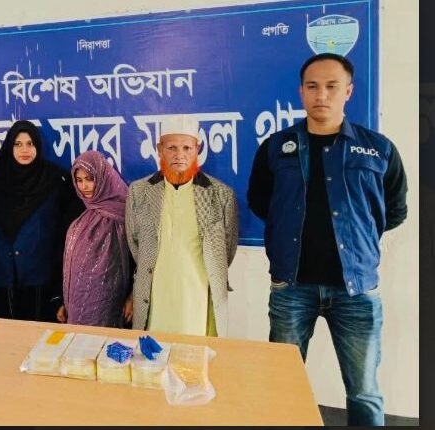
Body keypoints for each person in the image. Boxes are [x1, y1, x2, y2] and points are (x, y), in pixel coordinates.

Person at [246, 53, 408, 426]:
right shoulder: (276, 147)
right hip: (291, 288)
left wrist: (356, 236)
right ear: (301, 92)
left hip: (356, 291)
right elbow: (261, 201)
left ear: (348, 91)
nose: (322, 95)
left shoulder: (378, 149)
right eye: (313, 86)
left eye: (332, 86)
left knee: (364, 392)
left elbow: (393, 211)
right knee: (282, 385)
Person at [125, 114, 238, 337]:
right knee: (153, 351)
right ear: (159, 149)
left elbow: (227, 249)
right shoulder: (139, 191)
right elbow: (134, 243)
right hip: (155, 296)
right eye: (172, 148)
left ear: (197, 149)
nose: (179, 155)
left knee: (197, 351)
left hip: (197, 297)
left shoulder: (221, 195)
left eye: (187, 148)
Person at [0, 120, 83, 322]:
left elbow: (68, 229)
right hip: (2, 274)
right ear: (9, 146)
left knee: (39, 336)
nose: (25, 150)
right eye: (18, 144)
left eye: (30, 144)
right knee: (5, 336)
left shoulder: (55, 180)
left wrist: (61, 285)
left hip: (41, 277)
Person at [56, 150, 133, 327]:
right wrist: (63, 301)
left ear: (103, 177)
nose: (84, 186)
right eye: (79, 180)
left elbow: (138, 260)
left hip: (111, 302)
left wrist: (132, 297)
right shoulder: (77, 209)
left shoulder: (125, 210)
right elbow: (67, 260)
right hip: (76, 303)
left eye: (90, 179)